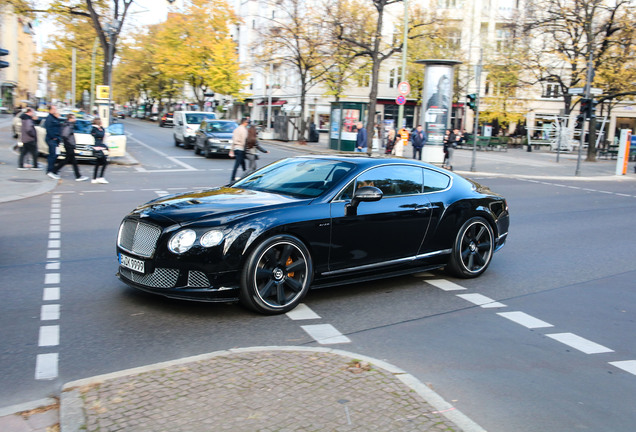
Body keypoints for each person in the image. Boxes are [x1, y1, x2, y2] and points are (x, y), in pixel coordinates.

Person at [51, 114, 89, 181]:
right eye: (74, 118)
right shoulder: (68, 125)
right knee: (67, 160)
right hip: (69, 145)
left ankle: (78, 176)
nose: (75, 119)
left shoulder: (68, 124)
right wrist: (69, 142)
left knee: (72, 161)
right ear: (70, 119)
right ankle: (54, 171)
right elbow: (65, 134)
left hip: (69, 144)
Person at [44, 105, 63, 178]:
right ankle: (50, 171)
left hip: (56, 140)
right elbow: (49, 129)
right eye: (54, 109)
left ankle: (53, 170)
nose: (56, 110)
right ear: (51, 110)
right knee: (52, 155)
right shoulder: (49, 118)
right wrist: (54, 137)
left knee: (55, 155)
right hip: (52, 140)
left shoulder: (54, 118)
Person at [91, 118, 109, 183]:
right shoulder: (94, 129)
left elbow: (102, 134)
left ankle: (94, 178)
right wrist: (101, 129)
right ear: (99, 122)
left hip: (99, 147)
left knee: (98, 163)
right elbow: (100, 135)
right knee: (105, 162)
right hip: (97, 147)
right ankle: (100, 177)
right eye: (101, 122)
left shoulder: (100, 129)